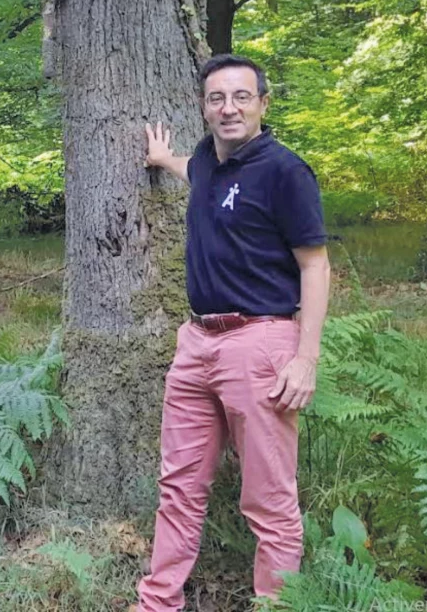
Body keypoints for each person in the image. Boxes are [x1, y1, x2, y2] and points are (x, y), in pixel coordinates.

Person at [138, 55, 330, 611]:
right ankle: (158, 602)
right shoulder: (205, 158)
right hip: (195, 343)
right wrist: (161, 158)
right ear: (204, 108)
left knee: (269, 501)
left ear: (263, 105)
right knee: (178, 486)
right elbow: (196, 175)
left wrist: (305, 358)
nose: (229, 108)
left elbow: (315, 266)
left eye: (242, 97)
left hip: (261, 343)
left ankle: (276, 605)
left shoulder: (285, 172)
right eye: (217, 98)